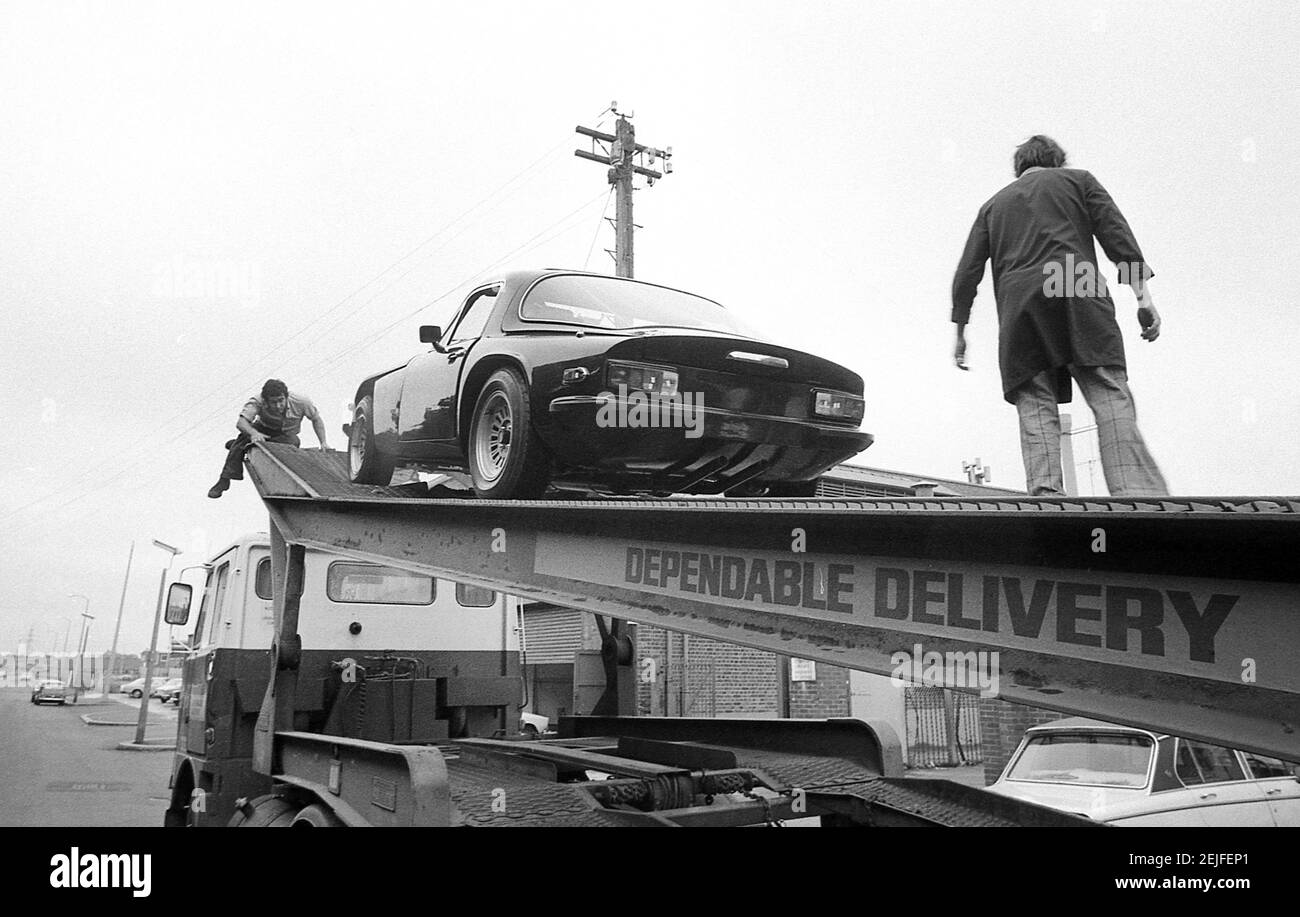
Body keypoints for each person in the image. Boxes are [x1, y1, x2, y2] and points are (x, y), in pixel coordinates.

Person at [951, 135, 1169, 497]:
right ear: (1057, 161)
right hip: (1074, 277)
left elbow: (966, 273)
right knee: (1106, 387)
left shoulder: (993, 206)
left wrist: (960, 330)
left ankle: (1046, 496)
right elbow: (1118, 237)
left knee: (1034, 398)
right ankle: (1135, 491)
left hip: (1020, 299)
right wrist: (1142, 297)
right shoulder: (1078, 181)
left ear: (1019, 167)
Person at [208, 379, 328, 498]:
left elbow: (316, 419)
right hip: (262, 429)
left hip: (285, 435)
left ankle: (241, 446)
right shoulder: (257, 401)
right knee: (243, 437)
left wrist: (323, 442)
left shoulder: (302, 401)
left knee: (294, 442)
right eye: (273, 402)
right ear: (265, 401)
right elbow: (241, 423)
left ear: (286, 397)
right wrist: (254, 434)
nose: (278, 406)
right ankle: (224, 479)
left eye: (281, 400)